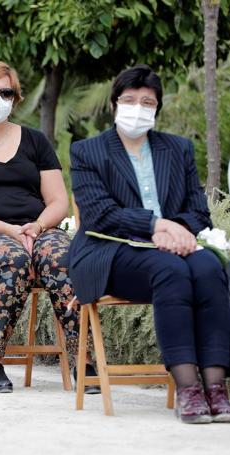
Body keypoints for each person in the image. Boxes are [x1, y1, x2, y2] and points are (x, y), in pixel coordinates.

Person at [69, 64, 230, 423]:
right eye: (129, 100)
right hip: (111, 251)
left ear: (157, 108)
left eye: (147, 101)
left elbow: (198, 210)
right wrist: (157, 226)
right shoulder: (87, 152)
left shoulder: (178, 149)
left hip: (178, 246)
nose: (138, 108)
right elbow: (98, 214)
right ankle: (188, 388)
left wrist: (179, 232)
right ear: (114, 104)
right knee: (170, 270)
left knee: (209, 268)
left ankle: (217, 387)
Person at [0, 61, 97, 393]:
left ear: (16, 98)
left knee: (64, 254)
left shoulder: (35, 142)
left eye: (6, 92)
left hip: (36, 231)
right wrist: (10, 230)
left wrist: (36, 227)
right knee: (14, 259)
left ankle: (84, 357)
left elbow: (57, 201)